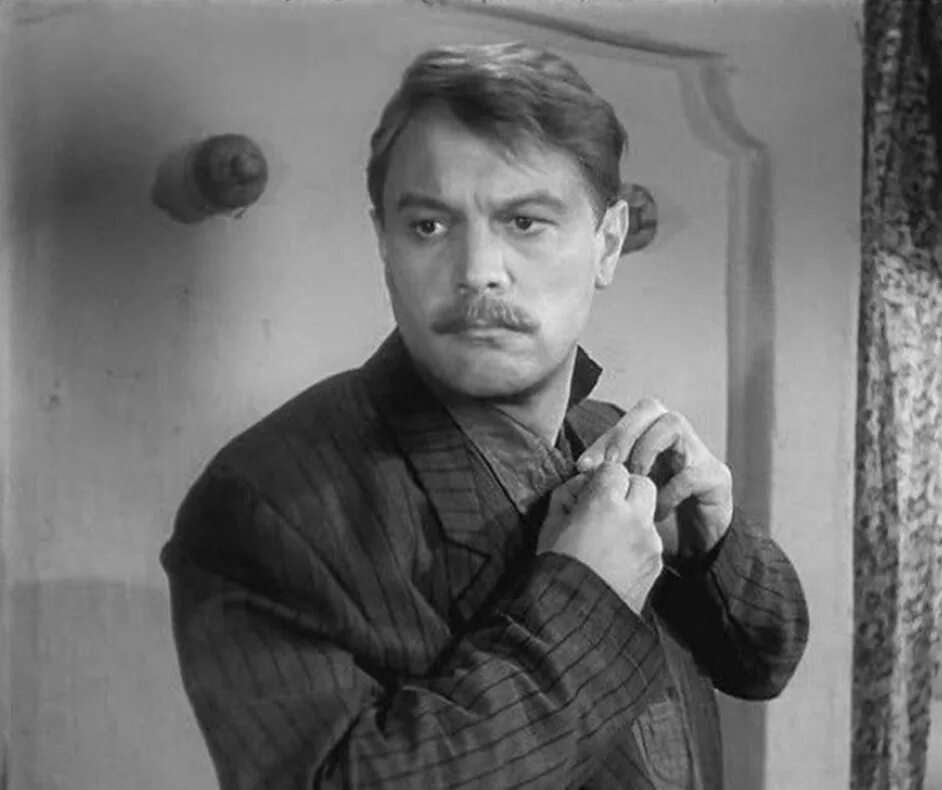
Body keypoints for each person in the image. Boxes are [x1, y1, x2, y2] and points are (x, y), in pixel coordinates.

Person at [161, 41, 809, 790]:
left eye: (525, 221)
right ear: (384, 244)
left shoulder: (613, 436)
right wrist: (585, 598)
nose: (477, 272)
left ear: (607, 243)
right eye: (429, 226)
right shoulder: (264, 504)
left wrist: (714, 549)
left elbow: (765, 664)